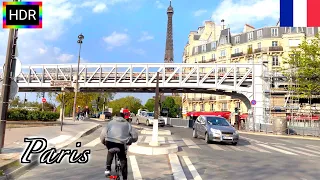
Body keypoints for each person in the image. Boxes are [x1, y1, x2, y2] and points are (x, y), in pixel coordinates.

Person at [100, 112, 138, 180]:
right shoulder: (127, 124)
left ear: (115, 116)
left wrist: (103, 142)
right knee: (123, 160)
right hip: (121, 144)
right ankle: (125, 177)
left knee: (110, 151)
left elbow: (103, 133)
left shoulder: (110, 123)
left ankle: (108, 169)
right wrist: (131, 140)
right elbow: (135, 136)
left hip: (110, 142)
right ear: (123, 117)